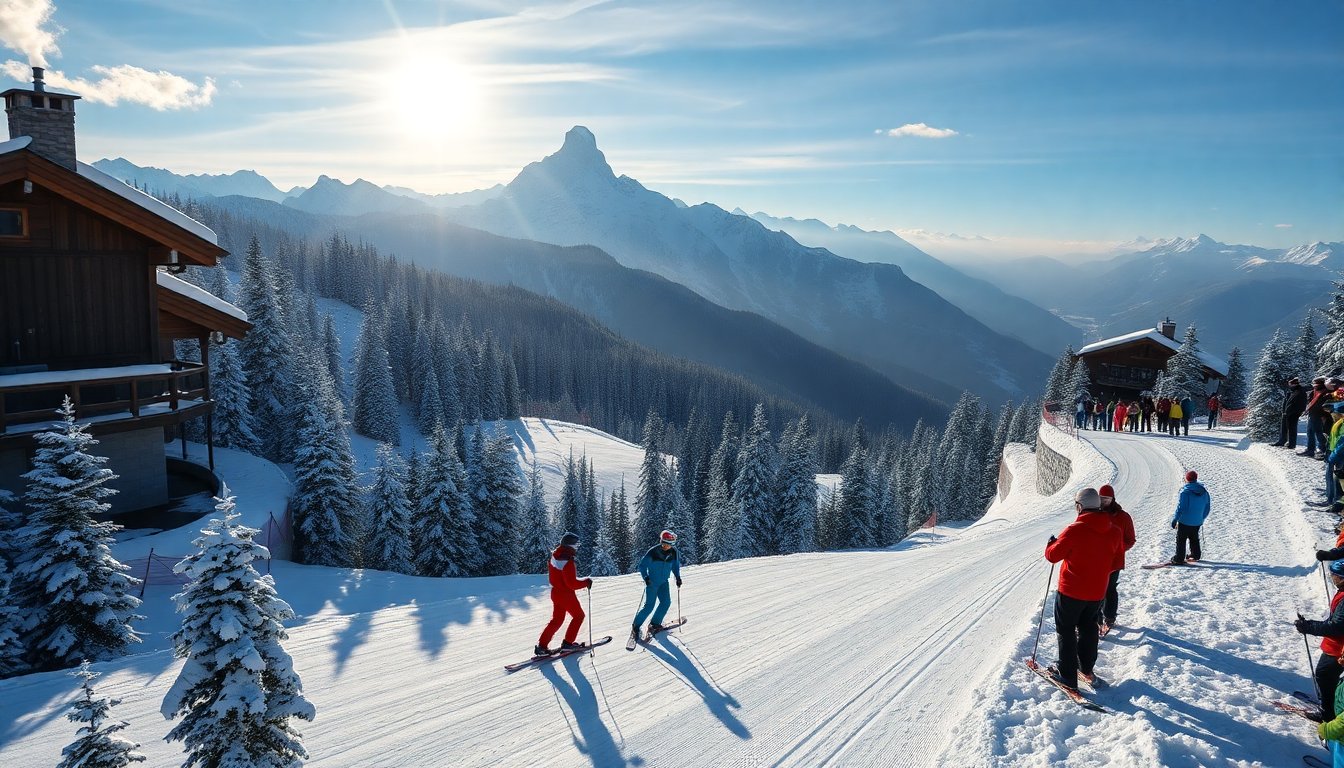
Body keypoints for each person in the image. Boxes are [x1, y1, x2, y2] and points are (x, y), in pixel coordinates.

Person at [1043, 487, 1123, 693]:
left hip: (1071, 591)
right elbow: (1116, 560)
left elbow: (1053, 556)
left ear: (1079, 507)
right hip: (1097, 592)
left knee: (1066, 630)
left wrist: (1051, 544)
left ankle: (1067, 675)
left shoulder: (1075, 529)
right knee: (1088, 629)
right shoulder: (1114, 531)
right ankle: (1085, 668)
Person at [1295, 559, 1344, 723]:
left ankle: (1328, 713)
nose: (1332, 578)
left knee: (1324, 675)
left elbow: (1336, 627)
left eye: (1334, 575)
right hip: (1337, 646)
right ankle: (1330, 703)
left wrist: (1309, 627)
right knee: (1327, 676)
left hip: (1339, 648)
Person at [536, 532, 594, 656]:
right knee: (579, 616)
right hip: (566, 595)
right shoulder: (568, 562)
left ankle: (542, 646)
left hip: (555, 592)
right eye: (576, 545)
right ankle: (568, 644)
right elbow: (572, 584)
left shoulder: (555, 555)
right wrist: (586, 582)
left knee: (557, 620)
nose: (577, 547)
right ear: (570, 545)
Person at [1096, 484, 1136, 635]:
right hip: (1096, 561)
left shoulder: (1123, 517)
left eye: (1107, 498)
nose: (1104, 501)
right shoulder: (1094, 514)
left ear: (1113, 498)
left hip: (1113, 562)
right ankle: (1096, 619)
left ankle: (1110, 617)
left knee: (1110, 589)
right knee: (1097, 590)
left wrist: (1117, 549)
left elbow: (1130, 539)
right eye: (1101, 498)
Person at [631, 529, 683, 640]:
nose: (668, 546)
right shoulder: (653, 552)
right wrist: (646, 578)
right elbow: (642, 566)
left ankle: (655, 623)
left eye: (670, 544)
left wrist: (677, 577)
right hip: (652, 583)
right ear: (662, 542)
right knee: (649, 606)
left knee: (666, 602)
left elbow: (675, 566)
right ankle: (636, 626)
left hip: (664, 582)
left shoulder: (674, 552)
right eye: (667, 544)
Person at [1169, 470, 1210, 564]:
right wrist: (1201, 518)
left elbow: (1181, 508)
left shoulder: (1185, 492)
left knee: (1181, 539)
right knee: (1194, 537)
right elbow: (1207, 507)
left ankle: (1179, 558)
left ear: (1187, 479)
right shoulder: (1204, 492)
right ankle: (1195, 555)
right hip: (1198, 521)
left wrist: (1175, 519)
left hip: (1185, 521)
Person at [1274, 377, 1308, 448]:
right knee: (1285, 427)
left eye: (1290, 384)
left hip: (1293, 413)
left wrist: (1297, 411)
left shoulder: (1299, 391)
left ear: (1294, 384)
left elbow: (1301, 403)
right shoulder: (1292, 391)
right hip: (1287, 412)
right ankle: (1282, 441)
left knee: (1292, 428)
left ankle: (1291, 444)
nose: (1289, 385)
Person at [1306, 378, 1330, 457]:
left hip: (1320, 416)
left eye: (1315, 384)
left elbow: (1322, 405)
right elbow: (1311, 401)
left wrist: (1323, 416)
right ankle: (1310, 450)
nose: (1314, 386)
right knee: (1310, 432)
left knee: (1319, 433)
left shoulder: (1325, 392)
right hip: (1312, 414)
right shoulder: (1314, 391)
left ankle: (1322, 450)